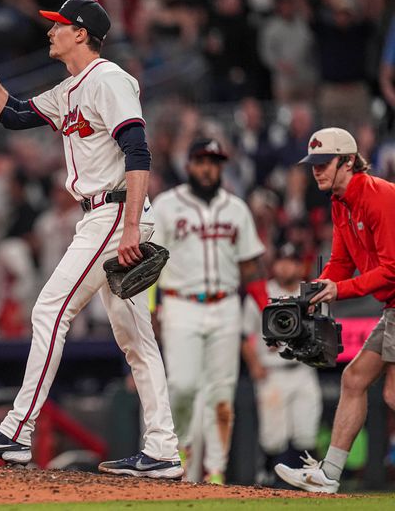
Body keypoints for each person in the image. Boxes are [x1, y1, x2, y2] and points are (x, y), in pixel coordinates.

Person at [0, 0, 183, 478]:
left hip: (118, 214)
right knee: (136, 340)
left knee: (50, 310)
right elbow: (12, 114)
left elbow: (138, 152)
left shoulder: (110, 79)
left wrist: (134, 226)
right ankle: (163, 448)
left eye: (60, 25)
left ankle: (17, 430)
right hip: (103, 215)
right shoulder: (69, 88)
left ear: (82, 33)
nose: (50, 31)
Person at [275, 127, 395, 493]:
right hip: (393, 305)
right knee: (354, 379)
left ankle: (329, 473)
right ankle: (328, 474)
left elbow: (391, 268)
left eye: (324, 164)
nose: (316, 171)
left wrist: (338, 289)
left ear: (347, 162)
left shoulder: (378, 196)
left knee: (392, 394)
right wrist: (309, 294)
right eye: (313, 165)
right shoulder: (341, 202)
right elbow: (341, 263)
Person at [151, 139, 265, 483]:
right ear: (188, 165)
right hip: (181, 303)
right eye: (201, 161)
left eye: (214, 162)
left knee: (221, 394)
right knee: (183, 385)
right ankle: (181, 451)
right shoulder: (167, 205)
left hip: (227, 305)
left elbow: (250, 266)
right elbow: (150, 263)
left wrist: (266, 310)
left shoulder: (236, 208)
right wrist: (151, 310)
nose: (208, 168)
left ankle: (216, 469)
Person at [241, 243, 322, 485]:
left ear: (301, 266)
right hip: (272, 370)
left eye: (292, 261)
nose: (286, 266)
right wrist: (254, 364)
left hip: (303, 368)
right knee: (273, 435)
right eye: (282, 260)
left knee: (306, 432)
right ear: (274, 264)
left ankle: (306, 479)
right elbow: (245, 334)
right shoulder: (260, 292)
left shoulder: (312, 294)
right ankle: (266, 475)